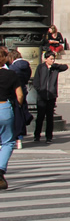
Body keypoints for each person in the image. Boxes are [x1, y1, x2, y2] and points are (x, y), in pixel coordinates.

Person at [0, 48, 26, 190]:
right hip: (4, 107)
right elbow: (20, 95)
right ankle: (0, 169)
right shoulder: (11, 74)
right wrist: (18, 106)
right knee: (8, 142)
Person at [33, 51, 68, 143]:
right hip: (42, 95)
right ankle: (37, 135)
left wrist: (55, 66)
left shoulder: (55, 68)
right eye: (51, 59)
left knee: (49, 117)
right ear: (46, 59)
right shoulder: (41, 67)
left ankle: (49, 136)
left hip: (51, 95)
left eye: (53, 59)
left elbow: (65, 67)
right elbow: (36, 80)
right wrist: (39, 90)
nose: (52, 61)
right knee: (40, 117)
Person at [7, 50, 32, 148]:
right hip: (23, 90)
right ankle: (19, 138)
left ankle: (14, 138)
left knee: (14, 116)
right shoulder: (27, 66)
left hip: (14, 93)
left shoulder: (12, 68)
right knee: (21, 114)